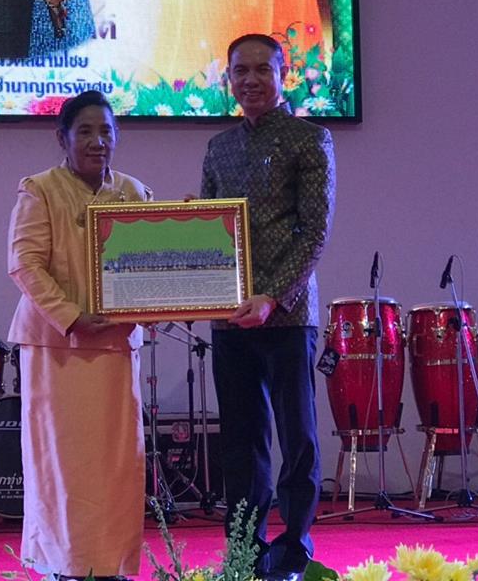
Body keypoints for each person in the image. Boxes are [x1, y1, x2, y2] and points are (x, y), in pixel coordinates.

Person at [199, 34, 336, 581]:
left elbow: (315, 232)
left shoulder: (311, 139)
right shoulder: (219, 147)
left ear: (284, 75)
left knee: (297, 439)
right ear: (228, 78)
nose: (250, 80)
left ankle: (294, 550)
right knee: (240, 443)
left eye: (262, 69)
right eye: (241, 71)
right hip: (230, 317)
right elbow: (208, 227)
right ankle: (243, 552)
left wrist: (273, 295)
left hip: (288, 316)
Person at [7, 91, 150, 579]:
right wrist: (71, 316)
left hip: (114, 347)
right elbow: (25, 265)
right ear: (62, 138)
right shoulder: (40, 189)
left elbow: (152, 269)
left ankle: (111, 566)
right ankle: (63, 566)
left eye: (106, 131)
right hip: (57, 349)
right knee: (62, 466)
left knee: (116, 467)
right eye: (85, 131)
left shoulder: (134, 192)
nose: (97, 141)